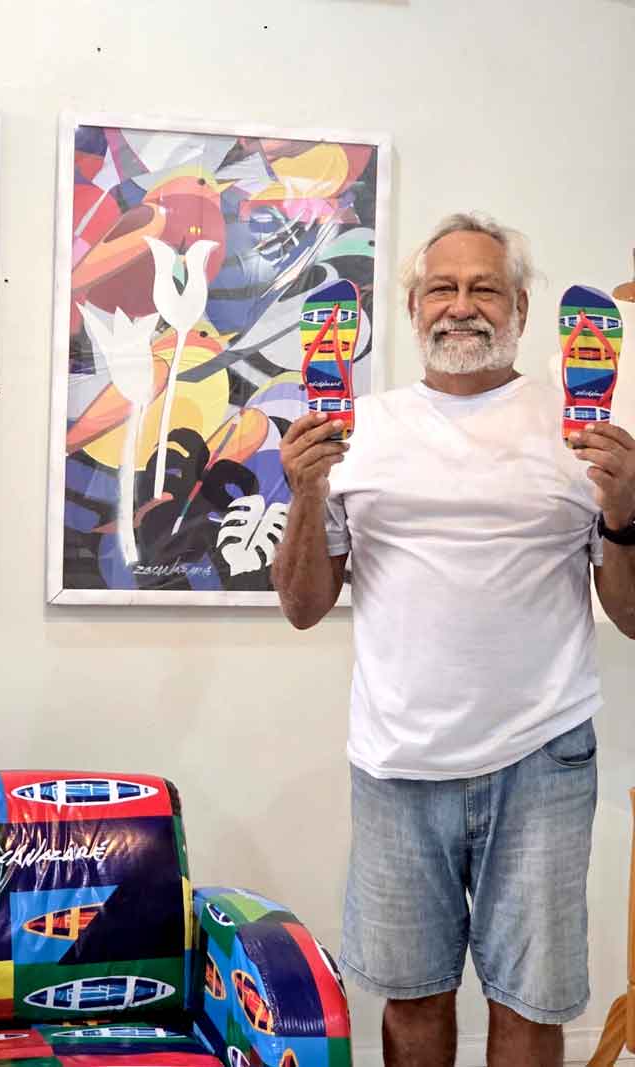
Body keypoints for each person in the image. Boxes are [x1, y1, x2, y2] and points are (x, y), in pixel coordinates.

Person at [272, 213, 635, 1067]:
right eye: (442, 287)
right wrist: (305, 494)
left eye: (484, 288)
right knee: (413, 1000)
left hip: (542, 757)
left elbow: (630, 614)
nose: (461, 305)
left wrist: (624, 512)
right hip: (398, 762)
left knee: (531, 1005)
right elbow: (302, 605)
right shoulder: (356, 431)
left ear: (520, 305)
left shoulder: (581, 431)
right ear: (412, 307)